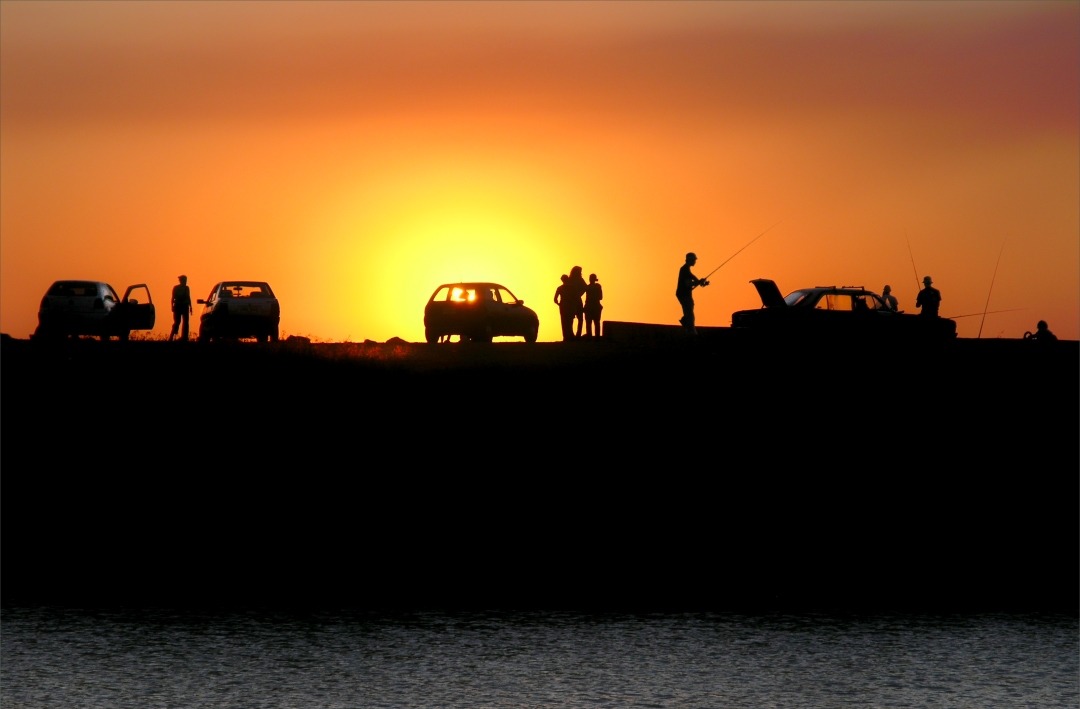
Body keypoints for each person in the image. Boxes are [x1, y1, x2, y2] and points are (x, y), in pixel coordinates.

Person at [676, 252, 709, 334]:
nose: (695, 262)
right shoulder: (685, 270)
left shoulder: (686, 269)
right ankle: (691, 331)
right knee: (690, 314)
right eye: (694, 260)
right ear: (690, 260)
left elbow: (694, 280)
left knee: (689, 311)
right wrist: (699, 282)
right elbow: (688, 283)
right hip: (684, 295)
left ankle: (686, 325)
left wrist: (701, 282)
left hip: (684, 294)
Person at [169, 275, 192, 341]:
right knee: (177, 322)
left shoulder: (187, 288)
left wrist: (190, 307)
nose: (185, 281)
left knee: (186, 322)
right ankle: (172, 335)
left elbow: (188, 297)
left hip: (185, 306)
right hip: (178, 306)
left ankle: (184, 337)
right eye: (184, 280)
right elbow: (173, 298)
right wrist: (172, 306)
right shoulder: (176, 288)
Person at [567, 266, 588, 338]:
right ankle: (571, 334)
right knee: (571, 318)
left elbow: (585, 288)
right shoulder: (570, 280)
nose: (580, 272)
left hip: (577, 300)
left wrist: (580, 294)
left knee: (580, 318)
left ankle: (578, 334)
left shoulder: (580, 279)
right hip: (572, 301)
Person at [554, 275, 574, 341]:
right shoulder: (571, 288)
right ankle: (570, 336)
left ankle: (565, 337)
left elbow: (555, 299)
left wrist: (559, 304)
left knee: (564, 321)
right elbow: (575, 298)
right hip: (570, 306)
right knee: (570, 321)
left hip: (563, 306)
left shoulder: (560, 288)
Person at [584, 273, 603, 338]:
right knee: (592, 322)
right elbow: (600, 297)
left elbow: (600, 297)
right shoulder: (589, 287)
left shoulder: (591, 287)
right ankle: (593, 336)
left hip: (593, 306)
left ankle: (593, 336)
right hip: (592, 306)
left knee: (594, 322)